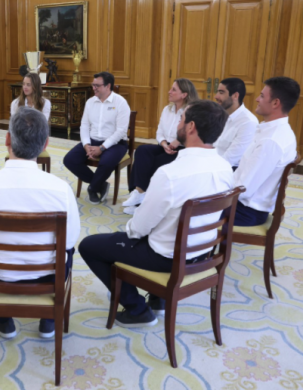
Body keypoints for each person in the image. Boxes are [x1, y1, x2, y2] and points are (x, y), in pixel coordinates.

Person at [79, 100, 232, 328]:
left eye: (181, 119)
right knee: (160, 228)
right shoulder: (225, 167)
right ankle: (158, 299)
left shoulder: (170, 174)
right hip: (203, 252)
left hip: (166, 259)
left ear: (190, 127)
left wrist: (129, 233)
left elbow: (139, 228)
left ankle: (137, 309)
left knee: (89, 245)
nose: (177, 123)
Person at [0, 106, 80, 339]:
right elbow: (70, 240)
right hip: (48, 277)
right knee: (70, 249)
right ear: (46, 143)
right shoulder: (61, 189)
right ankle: (49, 318)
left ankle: (2, 318)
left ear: (7, 139)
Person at [123, 78, 198, 212]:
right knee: (141, 151)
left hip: (182, 149)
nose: (169, 92)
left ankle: (144, 204)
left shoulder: (191, 112)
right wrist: (164, 144)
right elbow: (159, 132)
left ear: (184, 94)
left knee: (156, 162)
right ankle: (139, 193)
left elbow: (192, 133)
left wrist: (177, 142)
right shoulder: (166, 109)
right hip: (165, 145)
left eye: (173, 90)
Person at [233, 77, 300, 226]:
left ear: (276, 103)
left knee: (182, 207)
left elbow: (244, 190)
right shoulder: (276, 130)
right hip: (246, 205)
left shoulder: (271, 141)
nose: (257, 99)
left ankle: (203, 247)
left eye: (262, 96)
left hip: (246, 211)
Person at [63, 71, 131, 204]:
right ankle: (100, 184)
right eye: (93, 85)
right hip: (92, 140)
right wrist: (86, 145)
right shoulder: (90, 102)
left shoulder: (121, 103)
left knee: (106, 162)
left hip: (116, 143)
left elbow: (121, 131)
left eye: (97, 86)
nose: (93, 88)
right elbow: (84, 125)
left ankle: (93, 188)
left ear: (108, 86)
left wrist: (102, 147)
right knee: (69, 160)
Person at [213, 78, 258, 168]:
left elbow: (230, 159)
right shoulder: (220, 114)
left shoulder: (248, 122)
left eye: (221, 92)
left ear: (235, 96)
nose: (216, 96)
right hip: (214, 164)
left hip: (229, 171)